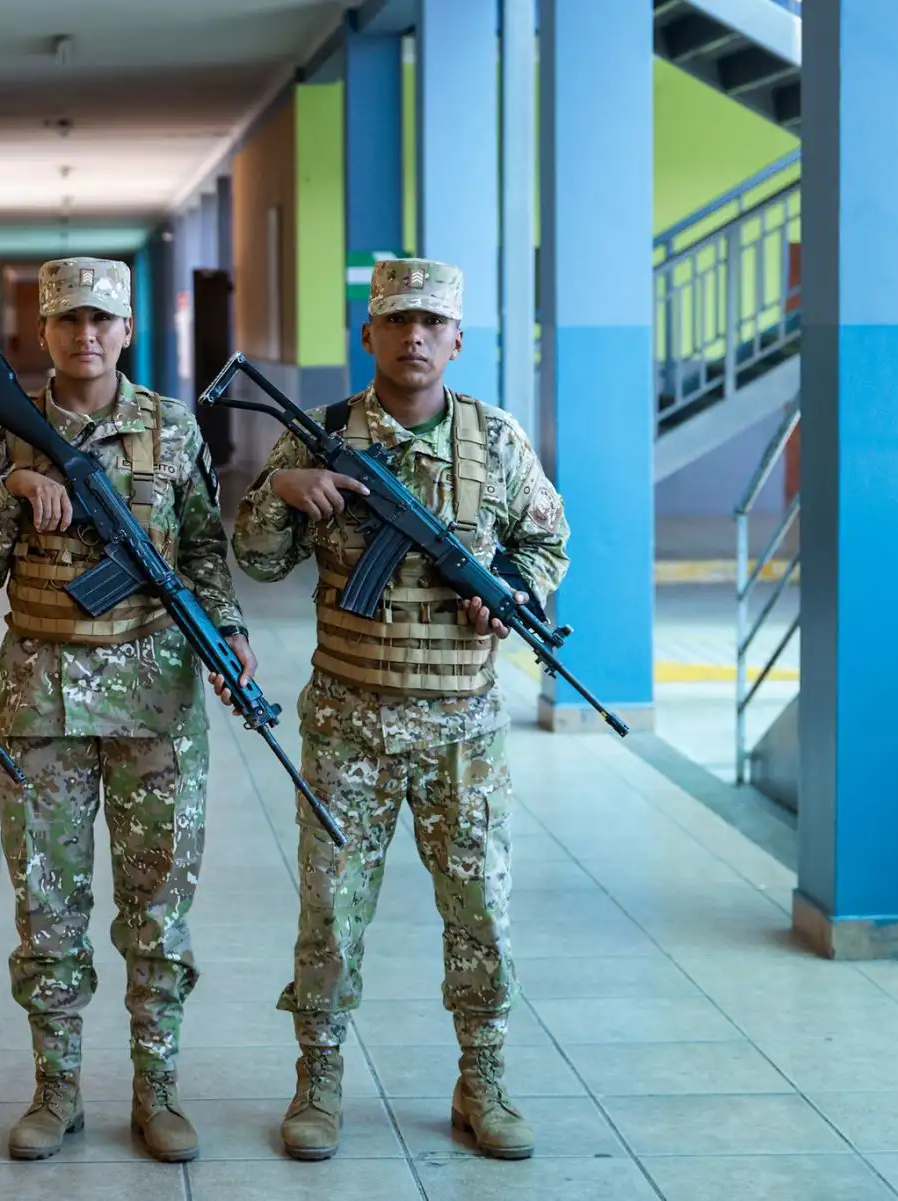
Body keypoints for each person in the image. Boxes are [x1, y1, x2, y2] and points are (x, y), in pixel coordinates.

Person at [229, 259, 570, 1162]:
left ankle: (483, 1078)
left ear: (457, 340)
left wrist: (515, 592)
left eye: (432, 323)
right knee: (330, 915)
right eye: (396, 321)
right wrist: (281, 494)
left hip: (463, 727)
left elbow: (546, 538)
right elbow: (256, 561)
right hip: (348, 724)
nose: (414, 337)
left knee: (481, 913)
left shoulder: (495, 441)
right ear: (368, 336)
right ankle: (320, 1081)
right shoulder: (321, 438)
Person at [0, 256, 253, 1164]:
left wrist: (229, 631)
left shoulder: (170, 427)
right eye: (68, 320)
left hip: (156, 704)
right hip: (41, 702)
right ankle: (56, 1093)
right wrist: (10, 499)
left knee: (158, 908)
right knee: (49, 909)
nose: (86, 335)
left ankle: (157, 1092)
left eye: (102, 321)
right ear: (42, 333)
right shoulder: (7, 433)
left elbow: (202, 550)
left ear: (127, 332)